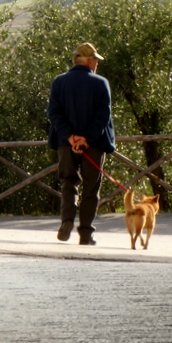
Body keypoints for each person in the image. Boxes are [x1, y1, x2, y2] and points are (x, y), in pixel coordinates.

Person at [47, 41, 116, 246]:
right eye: (95, 60)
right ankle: (85, 233)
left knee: (68, 182)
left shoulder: (59, 82)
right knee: (91, 188)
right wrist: (86, 138)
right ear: (89, 60)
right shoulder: (100, 83)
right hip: (93, 145)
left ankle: (67, 220)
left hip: (65, 144)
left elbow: (54, 113)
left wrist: (70, 137)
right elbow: (103, 114)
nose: (97, 64)